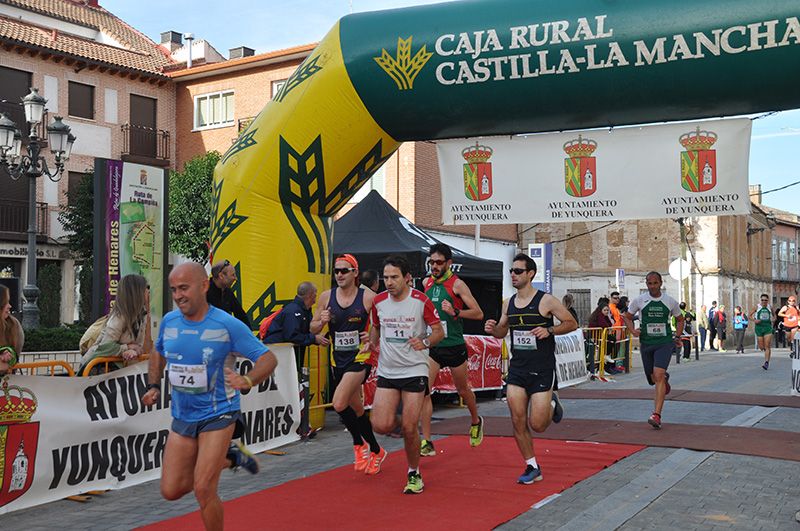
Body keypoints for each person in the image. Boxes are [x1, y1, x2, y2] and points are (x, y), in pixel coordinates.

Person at [141, 262, 277, 531]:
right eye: (173, 290)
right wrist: (153, 385)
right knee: (171, 490)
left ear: (204, 285)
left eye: (184, 288)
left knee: (203, 488)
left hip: (219, 413)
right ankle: (233, 457)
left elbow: (267, 358)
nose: (178, 295)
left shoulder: (227, 324)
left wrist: (248, 379)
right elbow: (158, 351)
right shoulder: (169, 321)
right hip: (183, 415)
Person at [484, 253, 577, 484]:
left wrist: (550, 331)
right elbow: (502, 332)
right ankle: (532, 465)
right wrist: (492, 328)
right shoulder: (509, 303)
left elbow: (571, 323)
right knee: (517, 419)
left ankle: (552, 402)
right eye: (511, 271)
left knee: (538, 425)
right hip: (517, 370)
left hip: (542, 369)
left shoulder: (546, 301)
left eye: (518, 271)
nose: (513, 275)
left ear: (530, 274)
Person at [367, 254, 444, 494]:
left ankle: (413, 473)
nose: (389, 282)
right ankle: (399, 421)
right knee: (380, 425)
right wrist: (370, 343)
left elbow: (438, 331)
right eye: (386, 277)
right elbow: (376, 327)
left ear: (407, 278)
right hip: (388, 369)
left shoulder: (420, 301)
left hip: (414, 369)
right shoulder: (378, 302)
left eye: (394, 277)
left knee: (411, 428)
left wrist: (426, 342)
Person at [310, 254, 384, 474]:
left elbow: (381, 324)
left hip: (361, 358)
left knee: (339, 403)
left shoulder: (369, 297)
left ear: (355, 273)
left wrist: (370, 339)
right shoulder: (326, 297)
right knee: (357, 408)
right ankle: (377, 450)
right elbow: (312, 328)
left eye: (344, 270)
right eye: (336, 271)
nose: (339, 275)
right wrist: (321, 322)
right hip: (338, 359)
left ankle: (358, 444)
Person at [419, 243, 485, 457]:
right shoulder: (426, 282)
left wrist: (456, 311)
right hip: (434, 345)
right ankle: (426, 440)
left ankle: (476, 420)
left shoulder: (457, 285)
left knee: (463, 390)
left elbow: (478, 313)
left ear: (449, 263)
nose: (434, 266)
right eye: (432, 262)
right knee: (424, 391)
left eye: (439, 262)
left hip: (454, 345)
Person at [264, 281, 329, 438]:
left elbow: (305, 331)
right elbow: (292, 335)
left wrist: (318, 330)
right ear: (309, 295)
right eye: (314, 294)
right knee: (290, 389)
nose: (315, 298)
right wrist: (314, 339)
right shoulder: (293, 311)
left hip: (290, 359)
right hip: (281, 359)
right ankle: (300, 426)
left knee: (296, 389)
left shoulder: (303, 310)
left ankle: (302, 426)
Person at [622, 271, 683, 430]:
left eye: (656, 283)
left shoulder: (669, 301)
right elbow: (627, 316)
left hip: (664, 343)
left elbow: (680, 319)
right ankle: (663, 379)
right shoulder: (640, 300)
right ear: (646, 284)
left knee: (658, 375)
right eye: (650, 283)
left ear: (661, 283)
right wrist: (633, 330)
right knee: (652, 379)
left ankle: (656, 415)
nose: (653, 286)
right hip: (647, 344)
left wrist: (677, 336)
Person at [79, 274, 151, 373]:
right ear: (135, 292)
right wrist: (127, 348)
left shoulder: (141, 317)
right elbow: (105, 347)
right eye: (146, 288)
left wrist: (133, 351)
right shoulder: (119, 316)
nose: (148, 291)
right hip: (97, 371)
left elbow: (141, 347)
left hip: (119, 372)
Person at [207, 260, 251, 328]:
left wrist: (250, 335)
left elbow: (241, 315)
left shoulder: (227, 292)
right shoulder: (203, 293)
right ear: (221, 276)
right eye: (233, 275)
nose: (235, 278)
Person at [0, 285, 23, 376]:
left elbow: (11, 360)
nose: (9, 306)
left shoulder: (14, 325)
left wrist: (7, 355)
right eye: (6, 302)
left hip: (6, 384)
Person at [751, 294, 773, 370]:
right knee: (761, 347)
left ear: (768, 300)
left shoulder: (770, 307)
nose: (764, 301)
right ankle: (765, 350)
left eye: (765, 300)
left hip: (767, 327)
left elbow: (775, 315)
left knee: (767, 346)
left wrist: (773, 319)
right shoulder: (757, 307)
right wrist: (755, 320)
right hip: (759, 328)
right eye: (762, 300)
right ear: (760, 300)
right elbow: (749, 316)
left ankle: (766, 362)